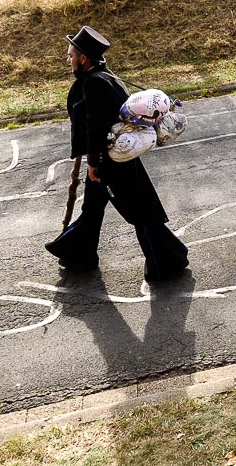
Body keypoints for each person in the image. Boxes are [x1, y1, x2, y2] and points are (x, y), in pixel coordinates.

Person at [44, 27, 191, 278]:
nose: (67, 60)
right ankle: (78, 254)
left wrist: (94, 162)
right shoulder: (103, 77)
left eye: (70, 55)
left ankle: (167, 262)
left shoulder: (94, 84)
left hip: (110, 163)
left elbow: (96, 126)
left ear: (83, 58)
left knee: (140, 211)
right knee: (93, 209)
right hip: (114, 157)